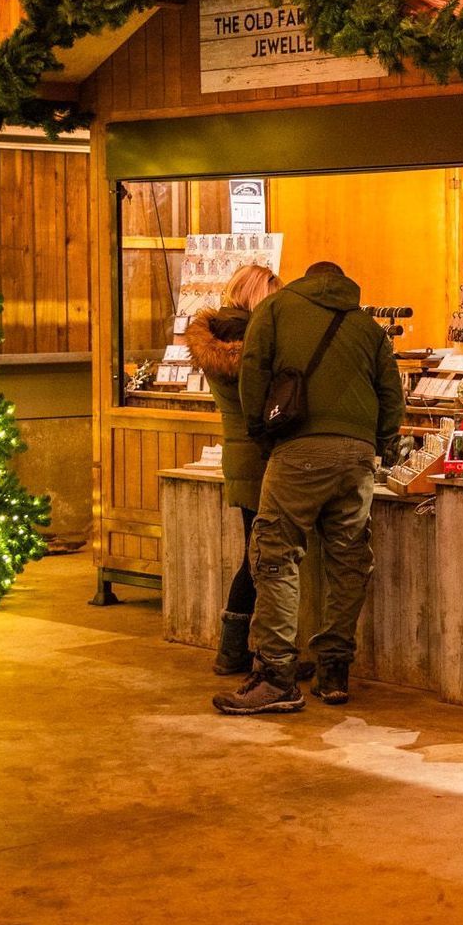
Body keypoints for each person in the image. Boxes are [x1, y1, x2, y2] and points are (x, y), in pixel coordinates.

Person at [214, 261, 403, 715]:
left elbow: (253, 374)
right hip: (357, 455)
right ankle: (334, 669)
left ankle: (277, 675)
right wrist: (380, 443)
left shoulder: (275, 310)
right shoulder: (368, 326)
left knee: (275, 553)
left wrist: (263, 433)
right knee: (348, 558)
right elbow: (391, 393)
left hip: (298, 451)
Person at [184, 264, 282, 677]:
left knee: (254, 552)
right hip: (260, 457)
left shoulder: (215, 342)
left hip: (239, 456)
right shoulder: (256, 345)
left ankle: (235, 649)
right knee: (260, 557)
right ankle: (238, 650)